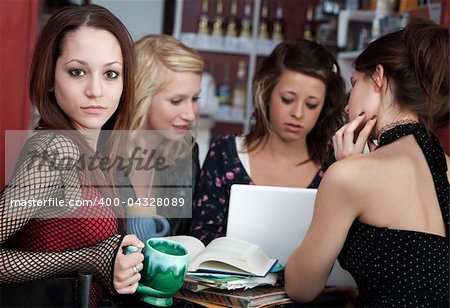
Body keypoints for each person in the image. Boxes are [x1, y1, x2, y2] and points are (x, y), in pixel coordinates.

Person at [285, 19, 449, 307]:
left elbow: (301, 288)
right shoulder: (446, 165)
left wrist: (347, 171)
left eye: (354, 83)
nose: (347, 107)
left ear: (378, 78)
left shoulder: (351, 176)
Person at [0, 4, 145, 307]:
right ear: (50, 78)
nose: (95, 90)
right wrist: (89, 259)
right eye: (77, 72)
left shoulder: (97, 151)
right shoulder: (56, 149)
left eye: (110, 73)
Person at [191, 38, 346, 245]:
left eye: (311, 105)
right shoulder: (224, 155)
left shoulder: (334, 167)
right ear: (266, 93)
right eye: (287, 100)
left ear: (324, 107)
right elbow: (201, 239)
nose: (298, 113)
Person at [116, 34, 204, 240]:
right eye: (176, 100)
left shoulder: (186, 151)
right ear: (141, 95)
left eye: (195, 98)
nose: (190, 114)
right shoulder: (101, 150)